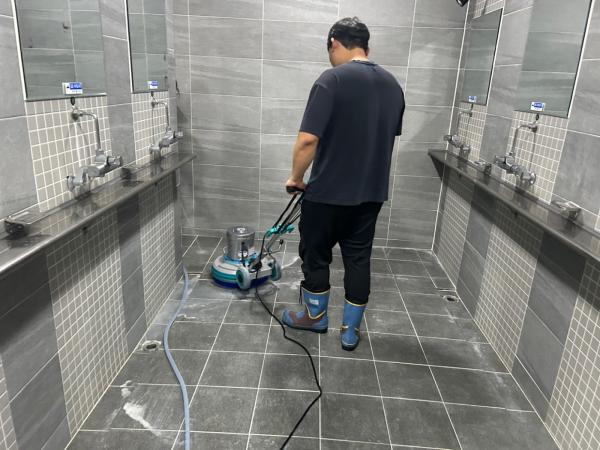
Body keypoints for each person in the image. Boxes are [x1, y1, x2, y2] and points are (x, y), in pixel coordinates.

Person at [281, 17, 405, 351]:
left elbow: (308, 140)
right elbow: (382, 136)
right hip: (370, 194)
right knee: (358, 259)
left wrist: (296, 178)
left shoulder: (332, 80)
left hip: (327, 194)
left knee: (316, 256)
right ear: (367, 46)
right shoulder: (393, 86)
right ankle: (350, 331)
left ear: (334, 43)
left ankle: (315, 318)